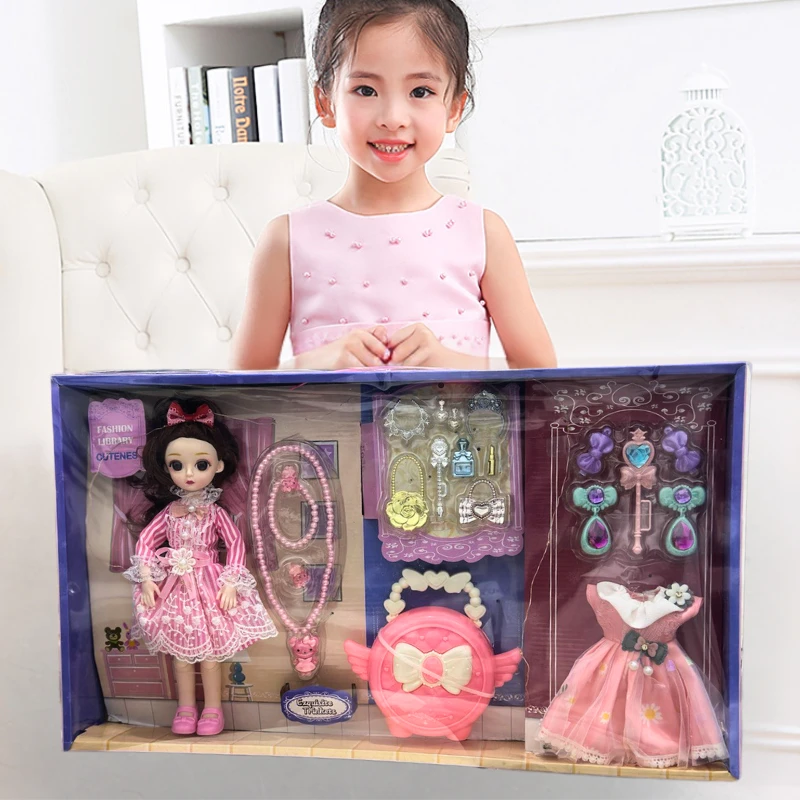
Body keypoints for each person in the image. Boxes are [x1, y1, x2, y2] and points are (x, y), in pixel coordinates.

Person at [231, 0, 556, 371]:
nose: (393, 118)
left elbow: (540, 376)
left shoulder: (484, 233)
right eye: (365, 90)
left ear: (454, 109)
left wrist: (451, 364)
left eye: (420, 92)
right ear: (325, 102)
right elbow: (241, 387)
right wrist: (314, 363)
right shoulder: (286, 239)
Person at [123, 398, 277, 735]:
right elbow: (146, 541)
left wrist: (231, 581)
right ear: (166, 468)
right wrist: (147, 577)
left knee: (210, 656)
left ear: (218, 465)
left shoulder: (216, 513)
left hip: (208, 586)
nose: (189, 474)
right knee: (180, 657)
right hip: (175, 590)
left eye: (201, 464)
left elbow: (236, 544)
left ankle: (213, 710)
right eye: (177, 465)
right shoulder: (169, 513)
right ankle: (185, 708)